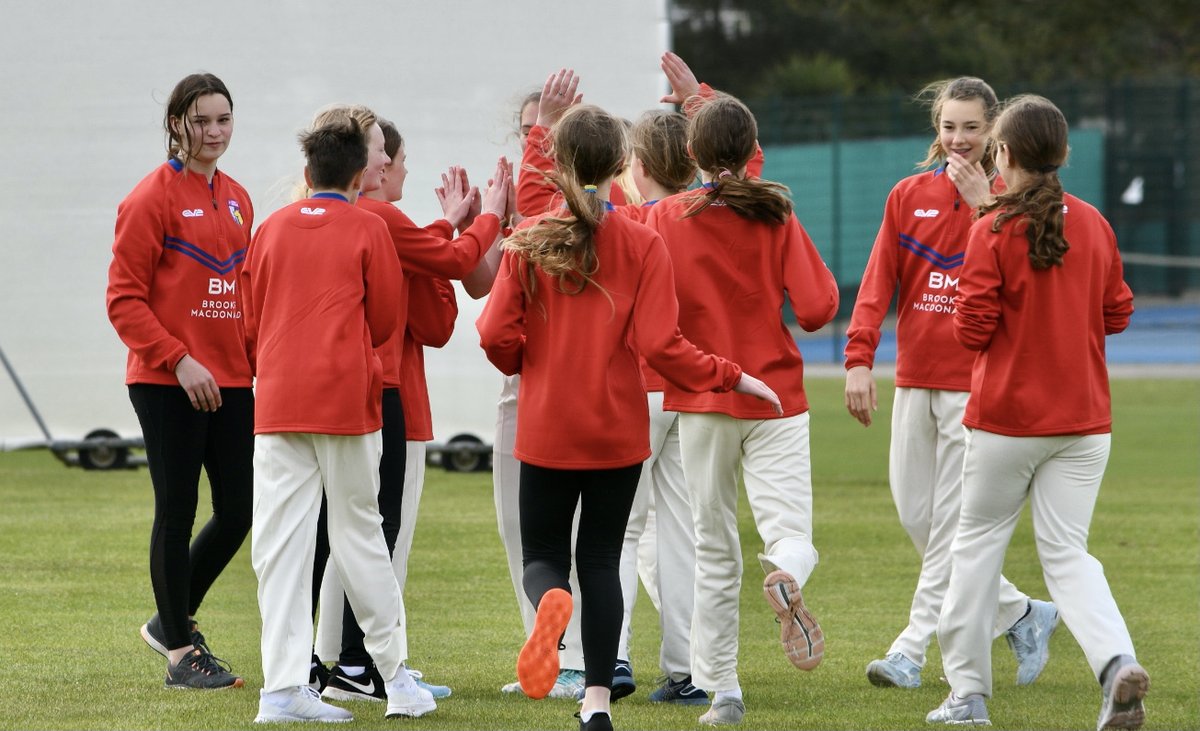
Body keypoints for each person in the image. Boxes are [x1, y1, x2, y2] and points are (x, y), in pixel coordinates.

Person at [477, 102, 781, 731]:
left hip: (547, 425)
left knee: (544, 557)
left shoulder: (529, 238)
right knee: (602, 560)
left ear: (559, 165)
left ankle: (549, 607)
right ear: (622, 164)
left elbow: (492, 335)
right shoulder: (644, 240)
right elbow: (664, 348)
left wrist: (527, 359)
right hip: (616, 429)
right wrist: (735, 375)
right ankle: (595, 704)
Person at [927, 94, 1146, 730]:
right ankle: (1115, 665)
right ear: (1062, 155)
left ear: (1005, 153)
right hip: (1083, 422)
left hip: (1006, 422)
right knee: (1070, 555)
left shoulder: (990, 228)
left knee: (975, 552)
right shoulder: (1095, 223)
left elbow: (972, 331)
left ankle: (968, 695)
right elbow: (1118, 313)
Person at [843, 77, 1058, 690]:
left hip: (979, 388)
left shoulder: (1013, 205)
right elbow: (878, 281)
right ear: (936, 130)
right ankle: (1020, 612)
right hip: (915, 380)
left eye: (971, 127)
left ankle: (910, 651)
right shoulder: (907, 194)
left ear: (994, 130)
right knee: (918, 517)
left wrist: (981, 203)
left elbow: (1021, 282)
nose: (959, 139)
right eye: (948, 126)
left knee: (950, 531)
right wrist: (859, 358)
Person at [644, 91, 839, 727]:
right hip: (777, 395)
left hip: (702, 396)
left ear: (691, 153)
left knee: (713, 546)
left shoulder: (665, 217)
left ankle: (723, 690)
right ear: (751, 152)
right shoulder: (775, 212)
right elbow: (816, 309)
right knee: (790, 531)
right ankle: (786, 572)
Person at [241, 109, 434, 723]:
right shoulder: (368, 227)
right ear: (359, 175)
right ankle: (396, 681)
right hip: (346, 402)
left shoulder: (270, 228)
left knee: (280, 548)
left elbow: (251, 321)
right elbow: (383, 323)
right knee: (360, 536)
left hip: (276, 402)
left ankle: (283, 689)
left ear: (307, 169)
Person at [314, 114, 509, 703]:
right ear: (369, 167)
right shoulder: (377, 217)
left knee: (342, 534)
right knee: (374, 536)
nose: (395, 168)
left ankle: (347, 661)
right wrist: (482, 218)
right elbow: (442, 311)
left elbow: (457, 287)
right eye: (391, 158)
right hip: (386, 396)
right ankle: (358, 662)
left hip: (358, 397)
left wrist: (446, 231)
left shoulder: (346, 219)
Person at [107, 72, 252, 691]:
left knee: (241, 508)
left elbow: (246, 292)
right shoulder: (151, 198)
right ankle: (179, 652)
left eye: (223, 119)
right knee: (178, 508)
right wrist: (177, 358)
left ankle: (169, 622)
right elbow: (123, 299)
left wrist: (252, 360)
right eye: (201, 120)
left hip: (234, 382)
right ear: (177, 124)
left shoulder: (241, 197)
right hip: (168, 382)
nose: (214, 132)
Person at [492, 83, 590, 700]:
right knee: (519, 526)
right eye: (535, 128)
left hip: (550, 377)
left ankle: (574, 657)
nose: (542, 135)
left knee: (575, 537)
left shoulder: (597, 205)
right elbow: (487, 281)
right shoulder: (521, 199)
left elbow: (495, 325)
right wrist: (483, 219)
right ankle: (547, 650)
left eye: (552, 128)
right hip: (527, 381)